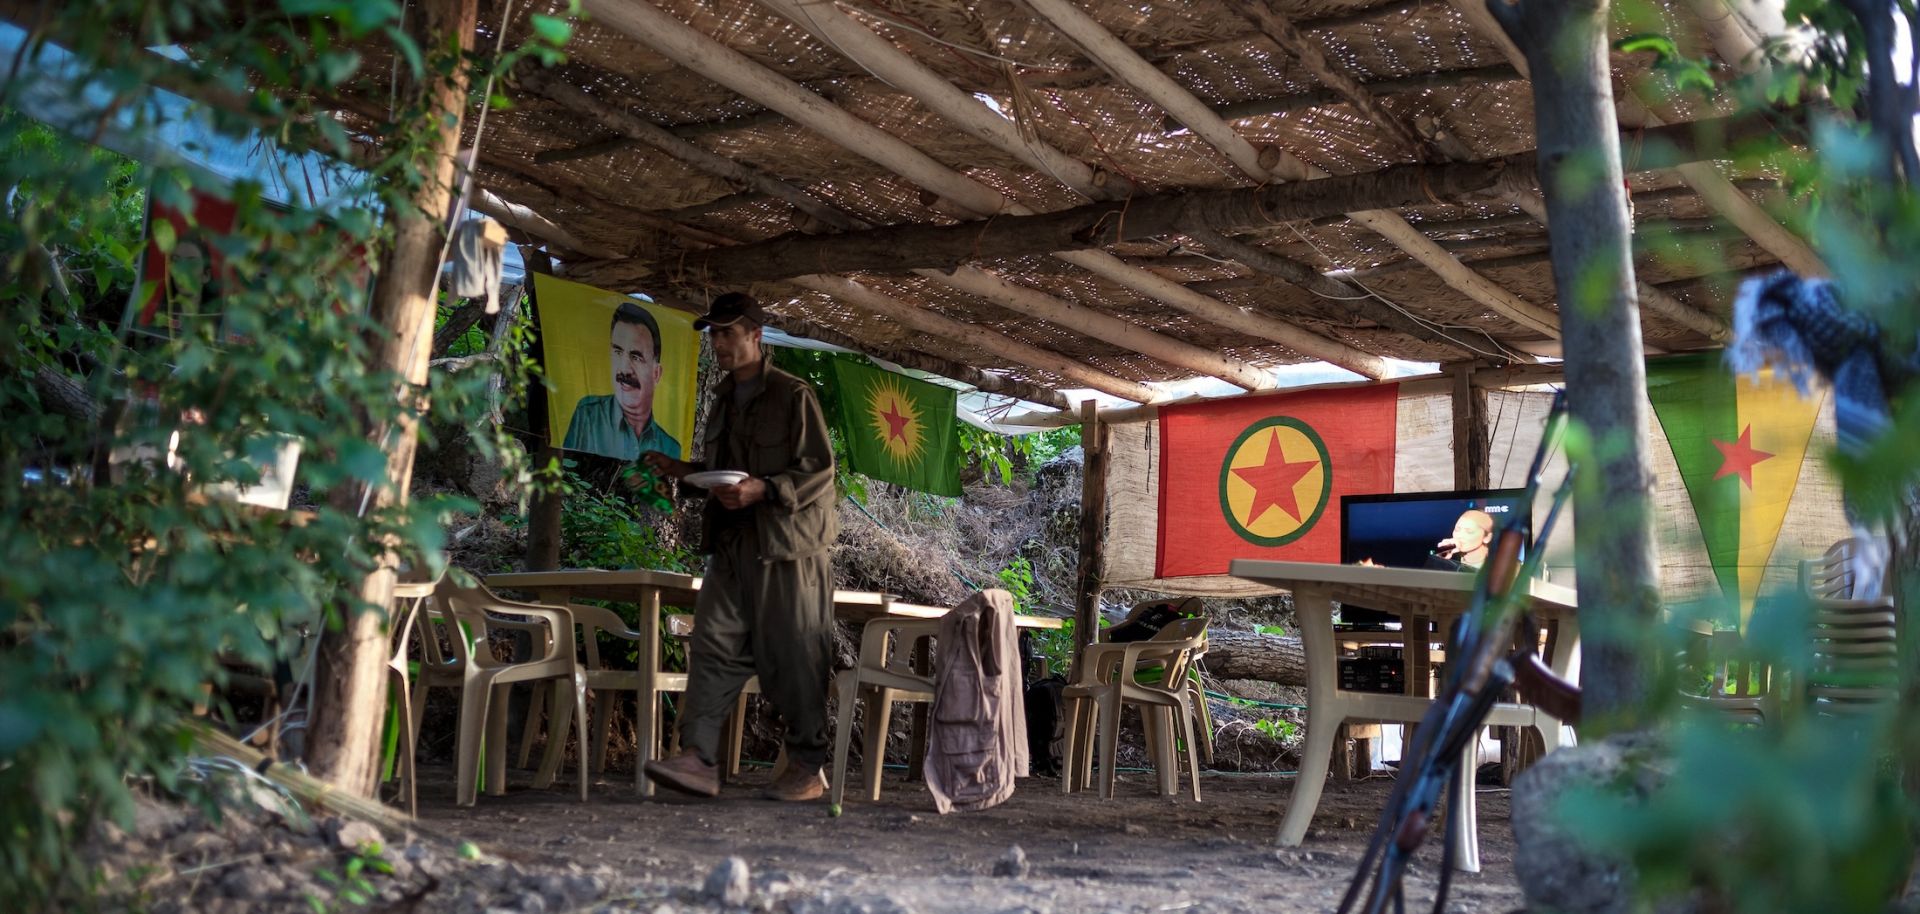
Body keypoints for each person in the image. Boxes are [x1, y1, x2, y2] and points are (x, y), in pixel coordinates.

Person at [638, 292, 840, 801]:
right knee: (711, 644)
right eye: (713, 334)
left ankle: (807, 765)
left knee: (795, 654)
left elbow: (819, 471)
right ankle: (699, 758)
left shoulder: (794, 396)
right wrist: (682, 473)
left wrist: (764, 489)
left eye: (728, 333)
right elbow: (722, 474)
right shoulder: (724, 400)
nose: (718, 343)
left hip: (789, 549)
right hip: (731, 545)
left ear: (756, 335)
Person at [562, 302, 683, 460]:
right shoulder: (588, 417)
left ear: (656, 373)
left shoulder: (670, 449)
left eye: (636, 357)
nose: (624, 369)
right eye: (618, 352)